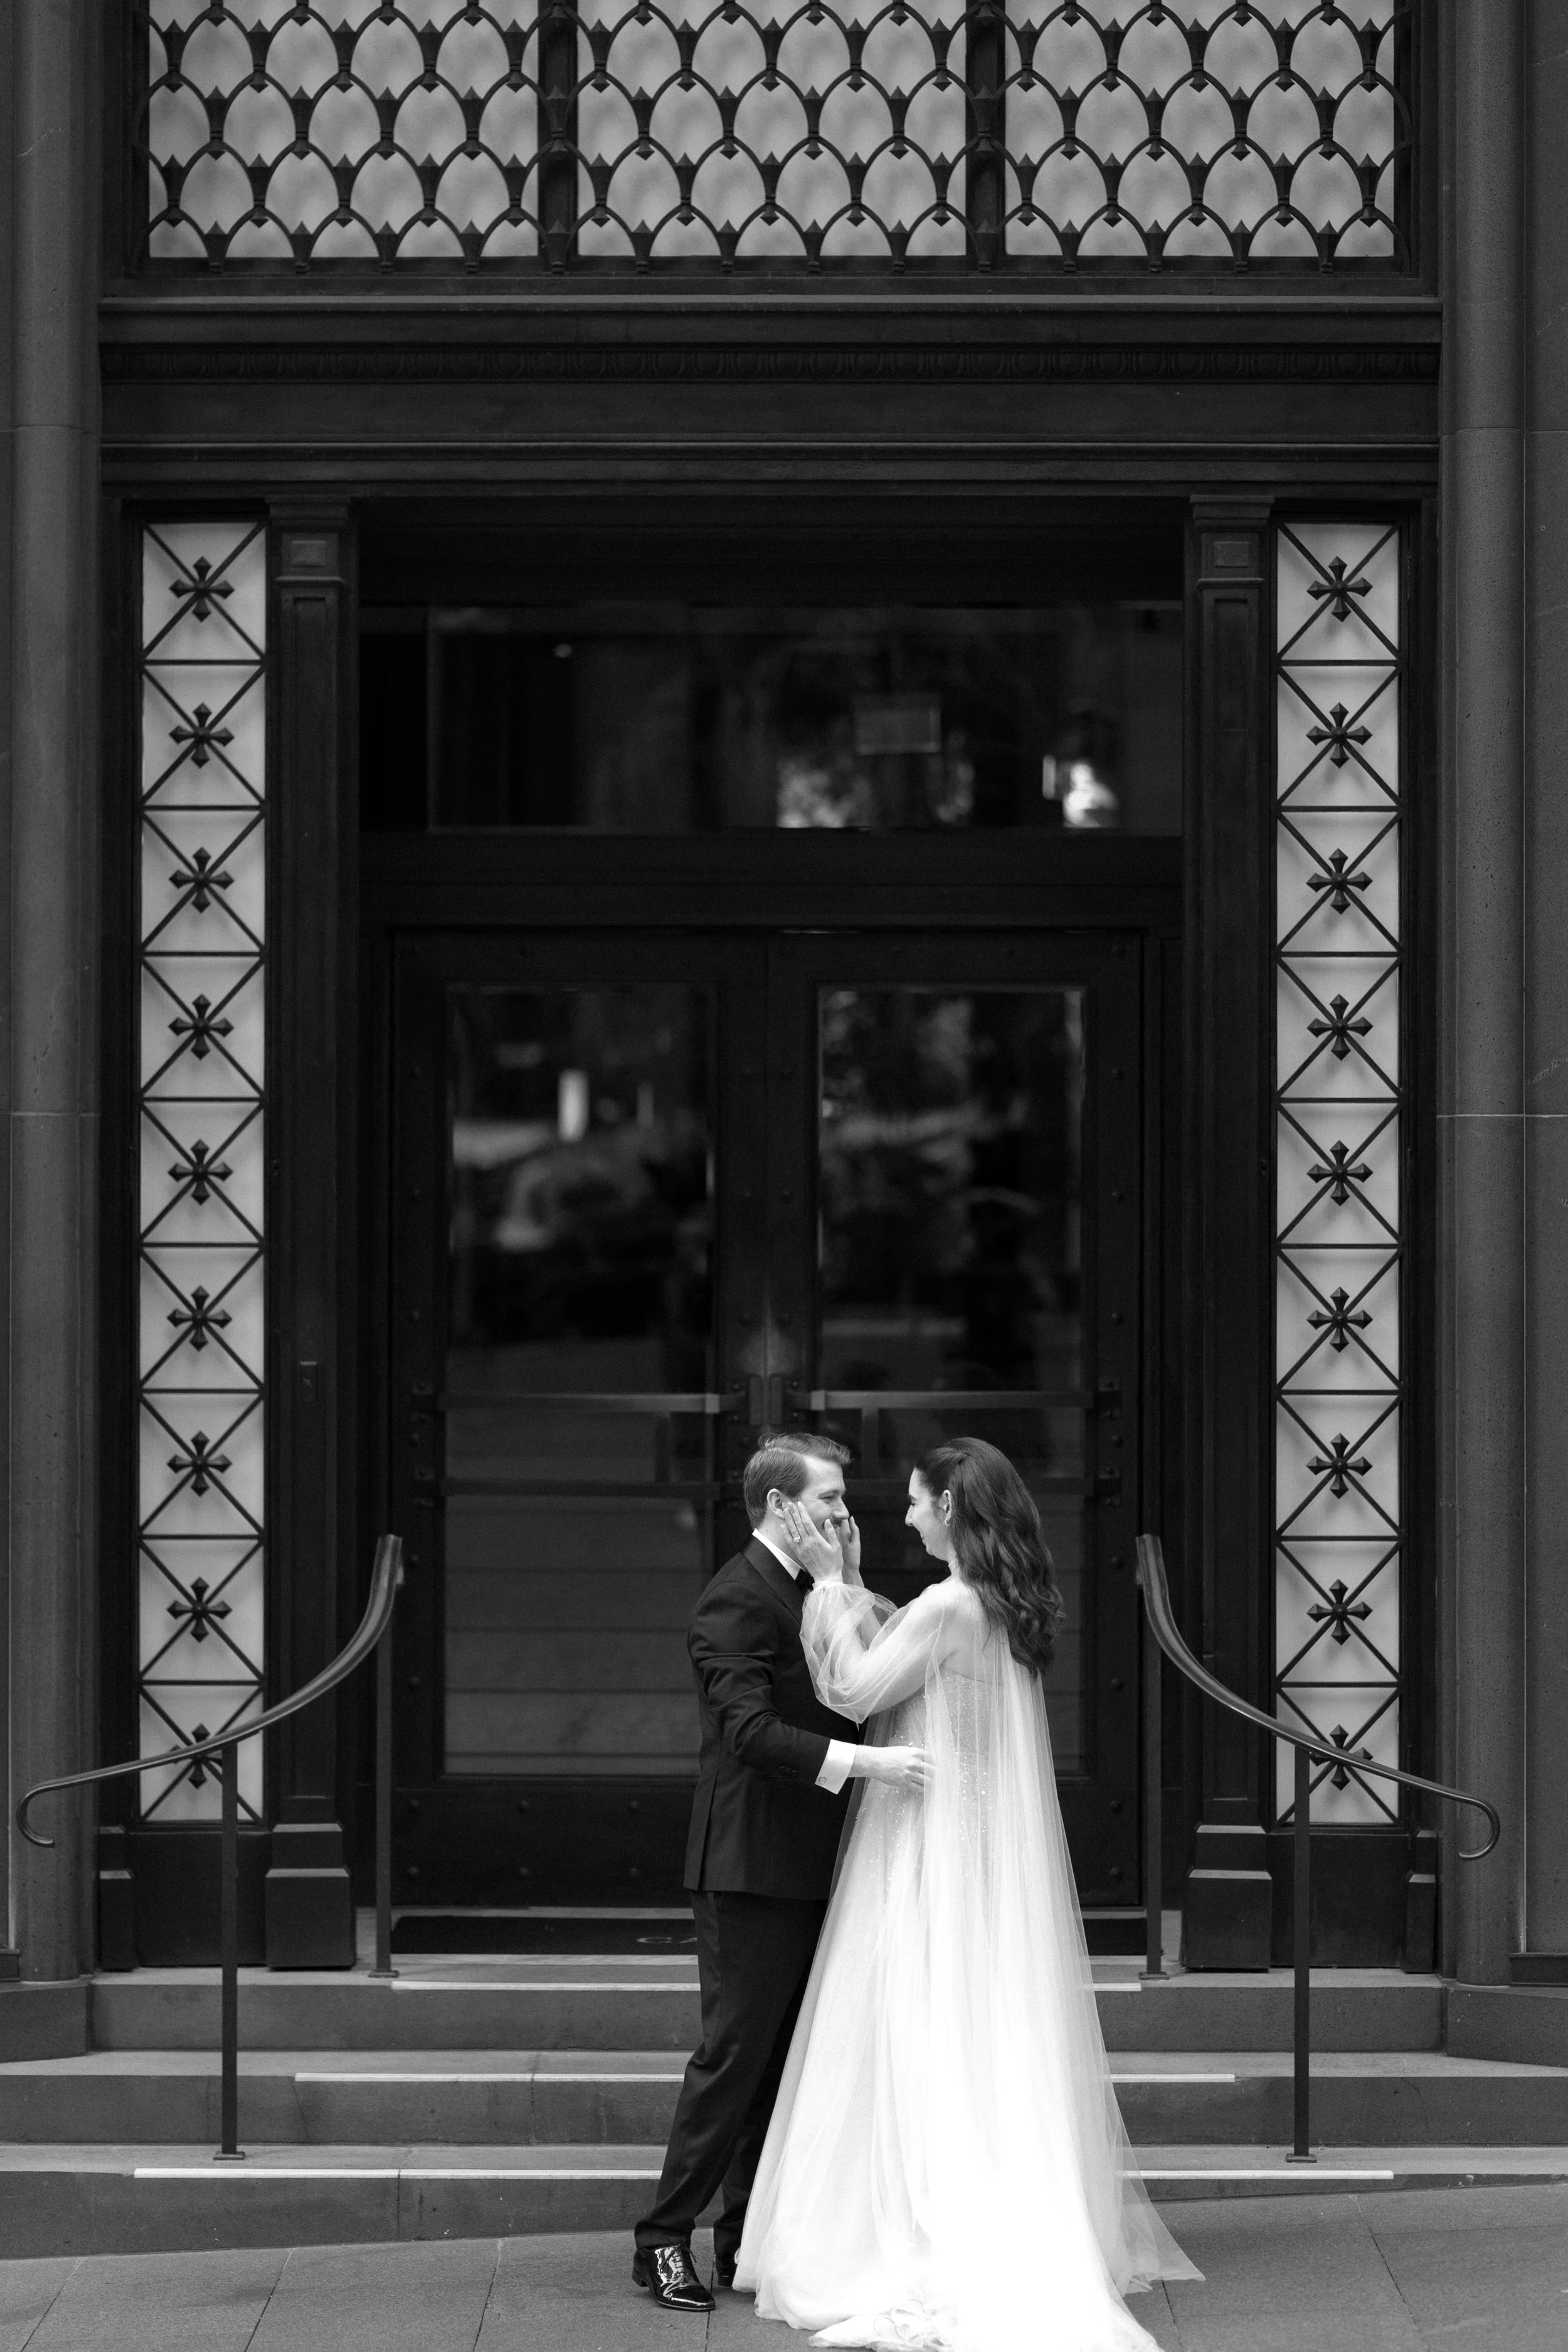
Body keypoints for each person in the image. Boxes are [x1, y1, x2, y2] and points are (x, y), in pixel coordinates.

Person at [736, 1434, 1201, 2351]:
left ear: (948, 1506)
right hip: (980, 1845)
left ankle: (915, 2226)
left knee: (915, 2024)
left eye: (915, 1502)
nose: (905, 1516)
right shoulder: (1001, 1601)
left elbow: (854, 1688)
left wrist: (826, 1582)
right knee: (974, 2030)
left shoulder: (949, 1604)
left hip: (925, 1843)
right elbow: (901, 1654)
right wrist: (854, 1582)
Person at [632, 1431, 931, 2314]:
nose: (843, 1511)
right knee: (733, 2060)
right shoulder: (736, 1596)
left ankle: (744, 2241)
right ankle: (661, 2242)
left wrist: (849, 1582)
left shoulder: (815, 1585)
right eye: (829, 1497)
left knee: (782, 2067)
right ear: (779, 1504)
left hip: (818, 1860)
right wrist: (870, 1765)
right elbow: (748, 1731)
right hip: (751, 1866)